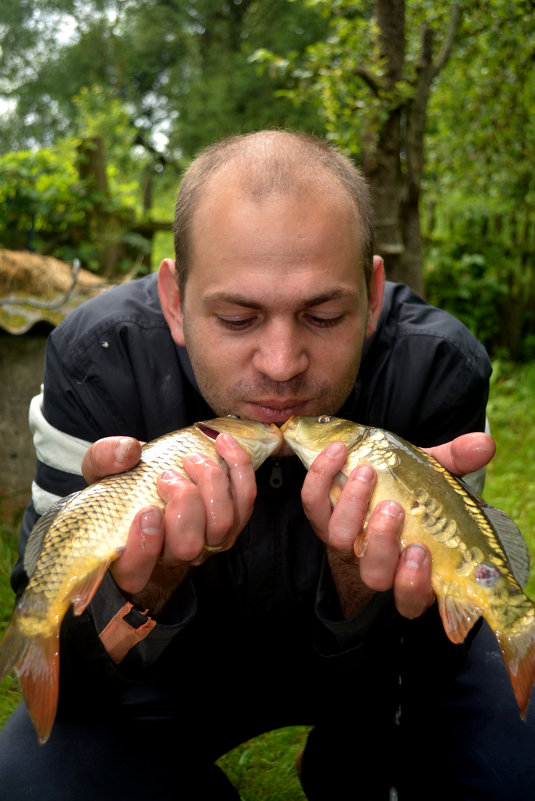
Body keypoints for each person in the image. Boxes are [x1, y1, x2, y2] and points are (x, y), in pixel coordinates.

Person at [0, 130, 533, 801]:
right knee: (26, 781)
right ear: (173, 298)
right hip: (170, 677)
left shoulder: (438, 367)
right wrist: (145, 588)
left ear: (371, 292)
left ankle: (350, 761)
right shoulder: (95, 361)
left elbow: (444, 648)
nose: (281, 365)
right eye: (237, 317)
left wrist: (359, 579)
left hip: (373, 675)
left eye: (323, 313)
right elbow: (60, 661)